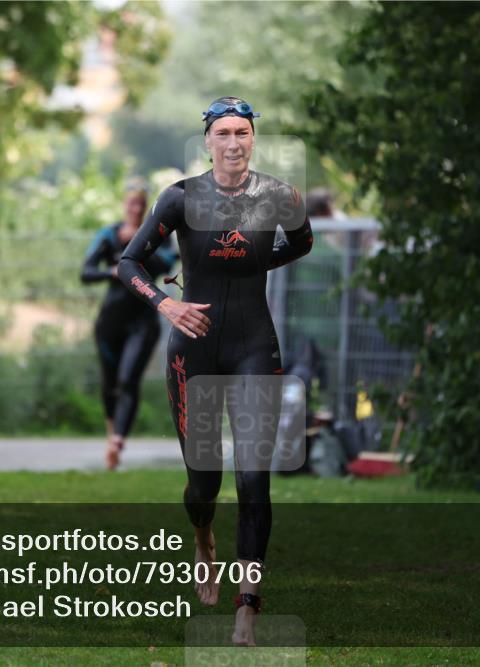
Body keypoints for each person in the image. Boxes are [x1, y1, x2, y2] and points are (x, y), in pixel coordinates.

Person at [118, 96, 313, 646]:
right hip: (193, 352)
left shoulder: (279, 196)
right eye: (223, 133)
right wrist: (167, 304)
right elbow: (127, 262)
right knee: (204, 482)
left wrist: (252, 261)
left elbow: (302, 242)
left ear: (253, 139)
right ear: (208, 141)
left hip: (255, 346)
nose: (233, 143)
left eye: (242, 133)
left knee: (254, 479)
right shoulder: (181, 197)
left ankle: (247, 607)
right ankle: (203, 535)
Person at [81, 179, 178, 470]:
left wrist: (137, 242)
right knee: (110, 382)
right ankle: (112, 433)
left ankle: (117, 441)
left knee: (127, 380)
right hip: (109, 323)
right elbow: (86, 273)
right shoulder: (108, 235)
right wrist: (114, 270)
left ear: (146, 205)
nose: (135, 208)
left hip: (143, 323)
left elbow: (167, 263)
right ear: (124, 204)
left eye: (140, 204)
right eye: (131, 203)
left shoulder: (157, 235)